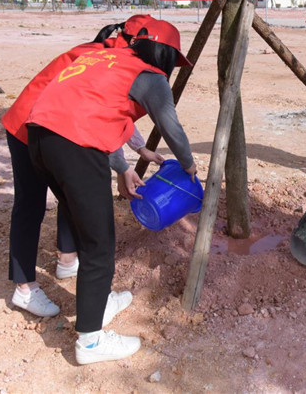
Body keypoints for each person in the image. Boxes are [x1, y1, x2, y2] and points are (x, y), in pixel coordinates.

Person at [26, 19, 196, 365]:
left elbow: (97, 113)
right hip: (75, 146)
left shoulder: (106, 59)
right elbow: (171, 126)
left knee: (83, 223)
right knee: (99, 244)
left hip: (40, 139)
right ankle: (90, 341)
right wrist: (189, 165)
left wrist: (123, 167)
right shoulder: (151, 76)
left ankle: (99, 302)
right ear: (164, 54)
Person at [2, 16, 162, 320]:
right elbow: (94, 121)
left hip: (52, 127)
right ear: (136, 42)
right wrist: (123, 168)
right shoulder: (107, 58)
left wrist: (139, 149)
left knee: (73, 189)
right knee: (30, 205)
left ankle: (67, 258)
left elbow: (112, 113)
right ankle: (24, 288)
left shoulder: (110, 54)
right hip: (29, 126)